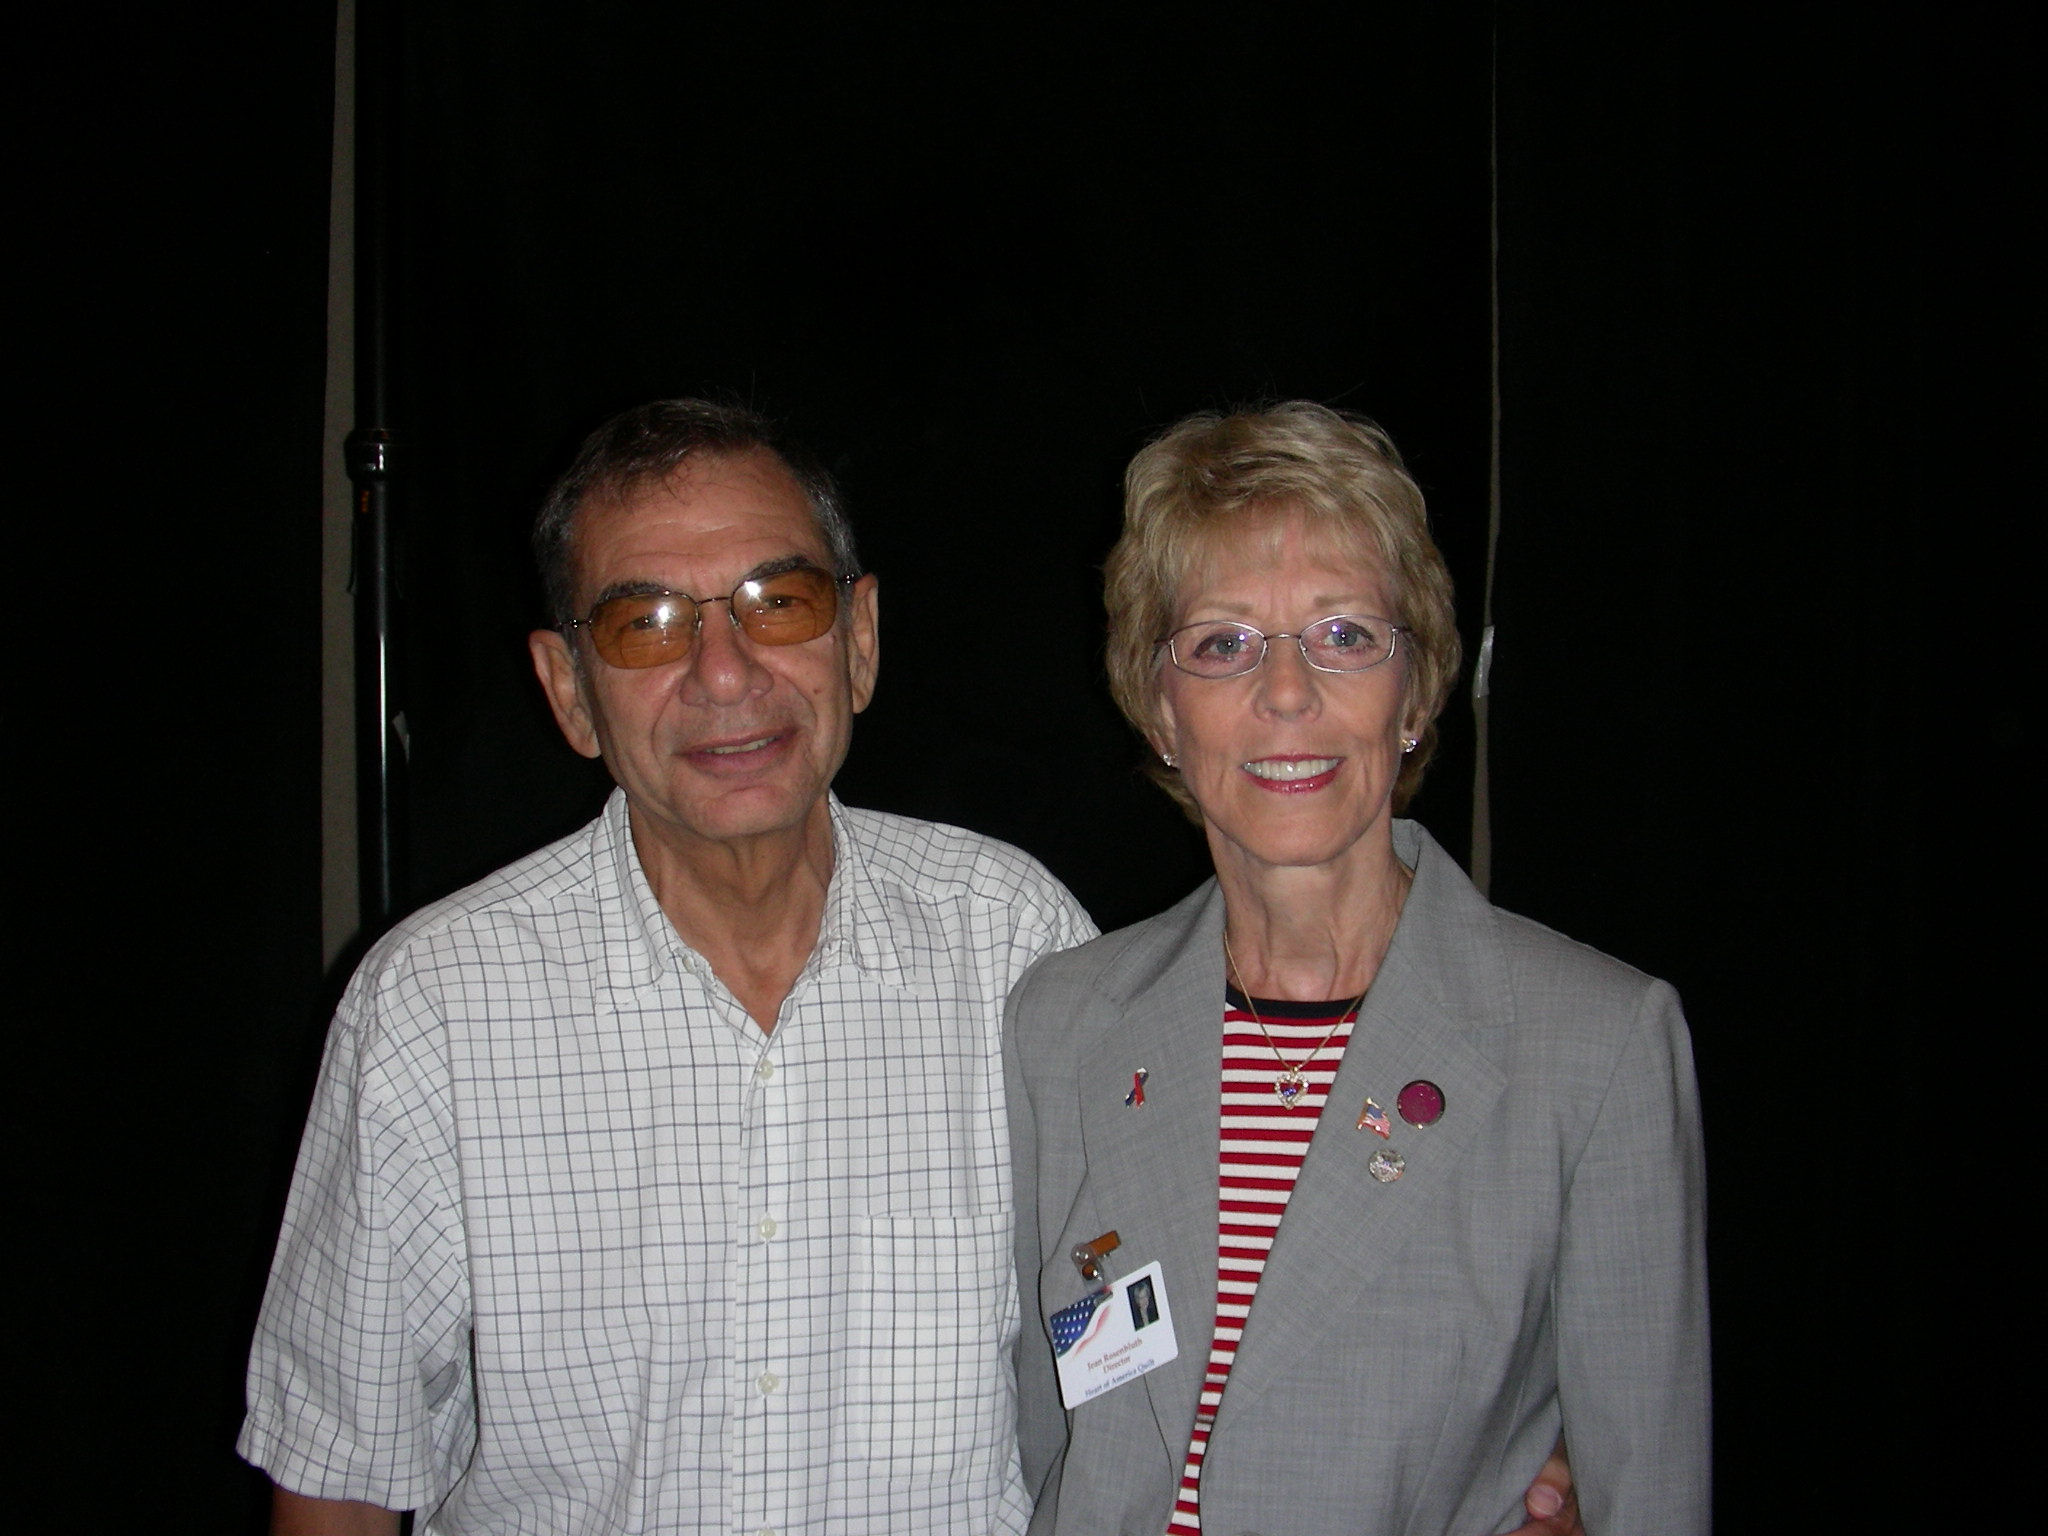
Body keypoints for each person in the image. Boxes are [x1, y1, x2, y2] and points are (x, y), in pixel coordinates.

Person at [241, 398, 1591, 1535]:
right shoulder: (434, 1011)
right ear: (566, 689)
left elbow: (1186, 1320)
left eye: (779, 601)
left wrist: (1485, 1439)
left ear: (861, 640)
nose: (725, 671)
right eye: (646, 623)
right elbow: (340, 1472)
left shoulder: (1019, 949)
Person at [1006, 403, 1710, 1533]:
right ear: (1160, 711)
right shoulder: (1065, 1023)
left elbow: (1648, 1490)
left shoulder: (1597, 1046)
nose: (1287, 693)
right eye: (1222, 644)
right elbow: (1050, 1443)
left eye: (1342, 635)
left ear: (1415, 694)